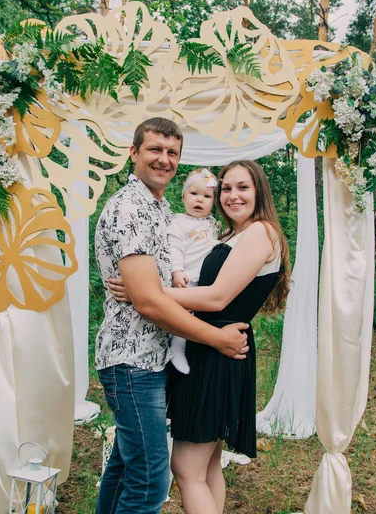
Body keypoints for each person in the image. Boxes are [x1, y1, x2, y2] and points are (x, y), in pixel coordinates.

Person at [112, 159, 291, 514]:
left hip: (216, 349)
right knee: (207, 464)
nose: (232, 195)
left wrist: (145, 292)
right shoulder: (230, 234)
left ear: (260, 191)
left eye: (243, 187)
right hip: (209, 344)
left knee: (186, 468)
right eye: (226, 188)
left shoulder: (261, 233)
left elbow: (216, 297)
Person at [94, 117, 249, 514]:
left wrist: (152, 290)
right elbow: (147, 303)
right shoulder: (131, 208)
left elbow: (159, 287)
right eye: (154, 150)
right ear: (133, 152)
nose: (164, 159)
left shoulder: (162, 210)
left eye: (172, 153)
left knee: (126, 466)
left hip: (155, 357)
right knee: (149, 482)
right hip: (133, 362)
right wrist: (216, 338)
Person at [168, 168, 219, 374]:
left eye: (207, 196)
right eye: (194, 194)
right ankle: (176, 349)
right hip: (187, 278)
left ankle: (192, 348)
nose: (200, 200)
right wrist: (177, 271)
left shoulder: (212, 223)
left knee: (198, 316)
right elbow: (174, 247)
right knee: (185, 315)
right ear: (183, 196)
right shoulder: (179, 222)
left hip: (206, 280)